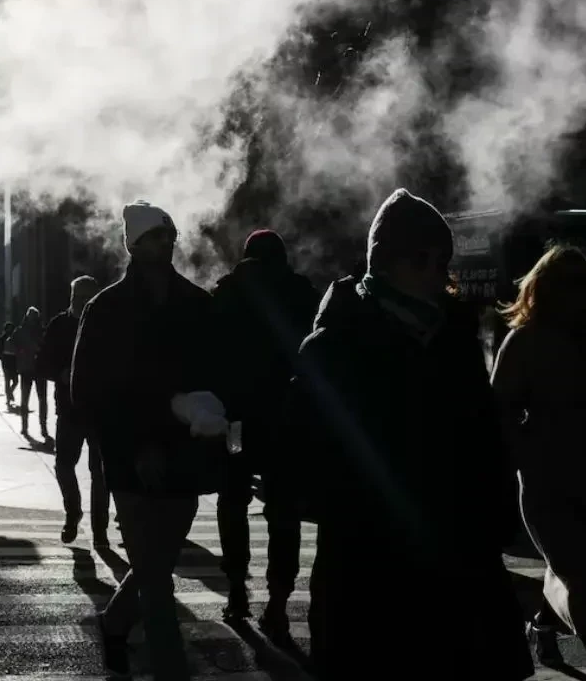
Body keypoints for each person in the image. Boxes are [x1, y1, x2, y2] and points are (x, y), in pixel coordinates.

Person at [288, 189, 531, 680]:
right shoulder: (333, 345)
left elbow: (483, 438)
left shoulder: (454, 336)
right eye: (433, 261)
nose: (444, 274)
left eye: (444, 261)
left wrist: (496, 511)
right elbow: (305, 460)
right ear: (396, 262)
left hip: (457, 554)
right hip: (369, 563)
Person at [72, 201, 229, 681]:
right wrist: (130, 449)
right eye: (159, 235)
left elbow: (219, 374)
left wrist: (212, 415)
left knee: (156, 562)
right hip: (133, 467)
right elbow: (88, 392)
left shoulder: (198, 305)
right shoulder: (106, 309)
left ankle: (115, 621)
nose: (170, 241)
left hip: (185, 460)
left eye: (171, 233)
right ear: (134, 245)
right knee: (158, 582)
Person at [492, 245, 586, 681]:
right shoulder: (523, 340)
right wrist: (524, 450)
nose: (578, 290)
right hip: (548, 478)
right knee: (581, 575)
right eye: (568, 282)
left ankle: (542, 624)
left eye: (583, 281)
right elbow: (500, 408)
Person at [211, 228, 319, 640]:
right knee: (284, 510)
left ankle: (237, 588)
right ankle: (277, 601)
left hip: (238, 422)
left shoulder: (227, 291)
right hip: (284, 423)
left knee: (233, 500)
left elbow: (211, 352)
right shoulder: (301, 292)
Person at [38, 275, 109, 546]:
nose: (84, 303)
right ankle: (73, 511)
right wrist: (61, 373)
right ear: (71, 298)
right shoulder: (59, 325)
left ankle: (100, 531)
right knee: (64, 465)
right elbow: (42, 363)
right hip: (69, 410)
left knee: (100, 472)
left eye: (89, 298)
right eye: (79, 297)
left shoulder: (106, 325)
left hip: (100, 410)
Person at [10, 308, 47, 438]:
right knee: (39, 399)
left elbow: (11, 344)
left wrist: (20, 351)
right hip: (35, 368)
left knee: (30, 398)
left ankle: (28, 427)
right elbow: (12, 345)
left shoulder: (21, 331)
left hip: (31, 367)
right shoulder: (40, 330)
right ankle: (39, 427)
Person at [0, 322, 18, 410]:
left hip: (14, 362)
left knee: (15, 381)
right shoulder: (2, 338)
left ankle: (10, 393)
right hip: (6, 361)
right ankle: (8, 398)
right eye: (8, 328)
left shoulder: (16, 338)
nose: (10, 330)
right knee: (7, 381)